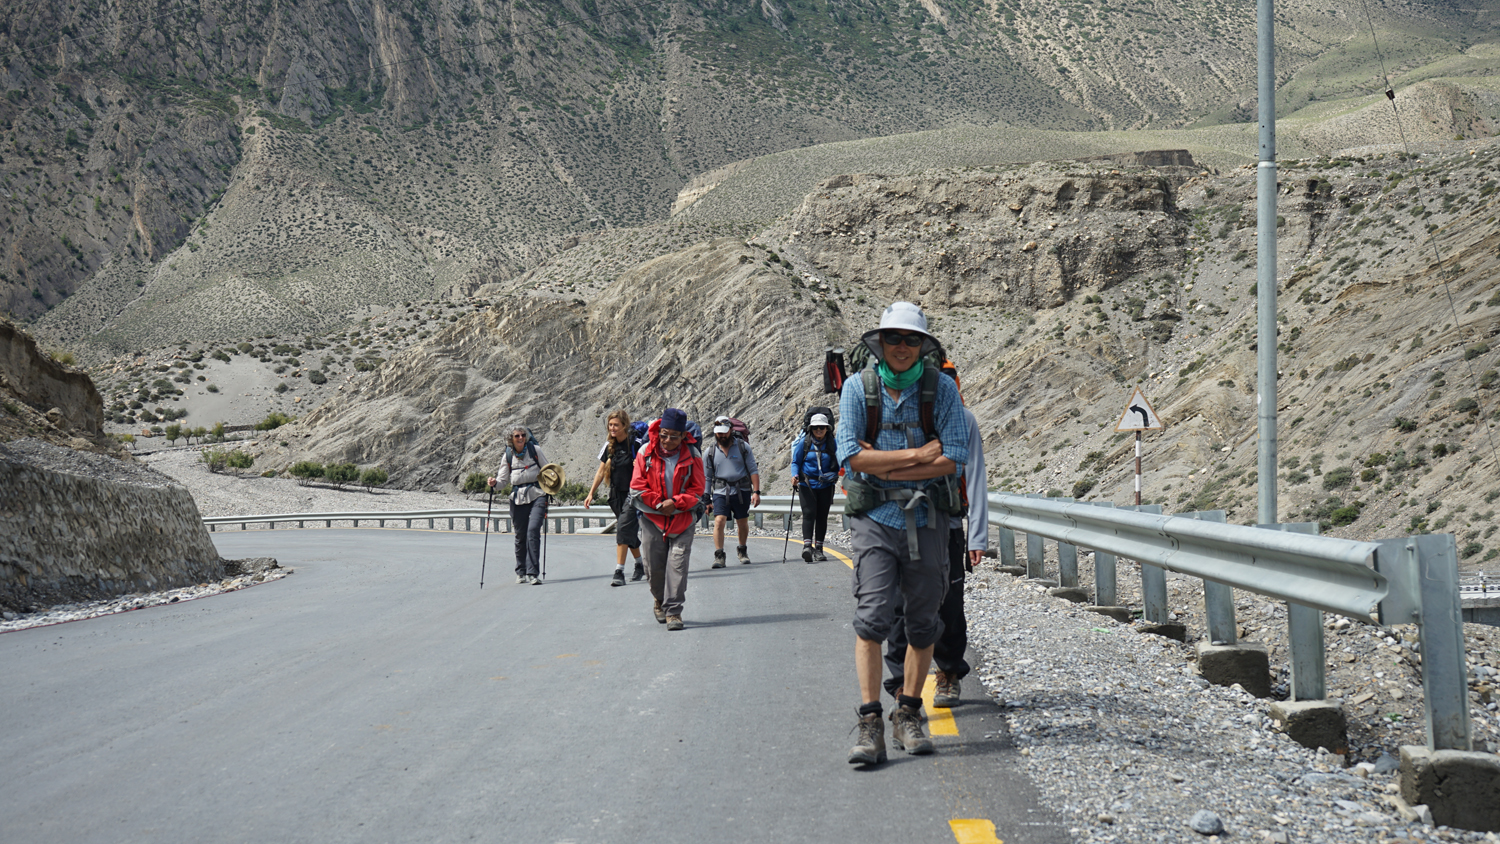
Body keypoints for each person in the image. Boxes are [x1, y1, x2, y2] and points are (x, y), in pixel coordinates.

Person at [836, 301, 969, 765]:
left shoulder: (943, 390)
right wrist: (916, 459)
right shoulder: (856, 388)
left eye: (912, 340)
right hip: (875, 518)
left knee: (923, 618)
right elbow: (852, 457)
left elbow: (953, 457)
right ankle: (871, 720)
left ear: (923, 346)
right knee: (872, 615)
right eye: (894, 338)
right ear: (880, 342)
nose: (902, 347)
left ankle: (908, 711)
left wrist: (884, 465)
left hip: (927, 518)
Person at [882, 361, 988, 709]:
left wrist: (977, 537)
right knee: (900, 605)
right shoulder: (898, 415)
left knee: (948, 604)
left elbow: (975, 480)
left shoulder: (964, 420)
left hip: (948, 527)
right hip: (901, 524)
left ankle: (948, 674)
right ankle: (900, 683)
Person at [630, 408, 705, 631]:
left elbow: (698, 489)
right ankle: (658, 599)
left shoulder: (693, 455)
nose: (667, 440)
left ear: (683, 436)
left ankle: (674, 612)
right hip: (652, 518)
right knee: (653, 567)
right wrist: (658, 503)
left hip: (683, 519)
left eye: (674, 435)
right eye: (663, 434)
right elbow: (637, 486)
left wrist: (677, 503)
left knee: (678, 565)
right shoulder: (645, 451)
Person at [584, 409, 645, 587]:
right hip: (615, 495)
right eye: (610, 425)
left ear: (624, 425)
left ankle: (619, 571)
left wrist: (639, 463)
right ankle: (640, 565)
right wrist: (591, 493)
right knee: (628, 532)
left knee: (622, 530)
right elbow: (601, 471)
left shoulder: (636, 443)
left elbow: (650, 465)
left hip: (633, 495)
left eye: (616, 425)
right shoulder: (609, 445)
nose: (612, 428)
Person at [489, 427, 550, 586]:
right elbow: (502, 482)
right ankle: (521, 571)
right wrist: (494, 483)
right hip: (517, 498)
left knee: (533, 530)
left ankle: (533, 573)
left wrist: (552, 485)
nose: (521, 438)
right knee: (520, 535)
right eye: (517, 436)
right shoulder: (507, 456)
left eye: (523, 435)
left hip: (538, 494)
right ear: (511, 439)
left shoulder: (535, 450)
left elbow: (548, 470)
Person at [704, 416, 760, 567]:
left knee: (742, 522)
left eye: (724, 432)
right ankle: (719, 556)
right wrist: (706, 498)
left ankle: (742, 551)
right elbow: (707, 477)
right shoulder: (710, 452)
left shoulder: (743, 447)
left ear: (730, 430)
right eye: (718, 433)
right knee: (719, 521)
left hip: (742, 490)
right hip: (720, 491)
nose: (721, 435)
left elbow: (753, 470)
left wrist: (756, 492)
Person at [790, 412, 838, 562]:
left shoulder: (832, 443)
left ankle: (819, 549)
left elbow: (839, 459)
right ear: (811, 428)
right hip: (807, 484)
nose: (819, 430)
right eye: (816, 427)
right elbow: (795, 462)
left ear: (827, 429)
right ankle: (807, 547)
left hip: (826, 485)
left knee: (822, 516)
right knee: (809, 513)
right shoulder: (804, 443)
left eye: (822, 427)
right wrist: (795, 476)